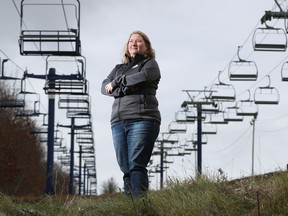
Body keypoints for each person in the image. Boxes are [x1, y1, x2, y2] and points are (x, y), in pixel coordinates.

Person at [101, 30, 161, 197]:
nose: (134, 43)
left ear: (146, 46)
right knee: (125, 167)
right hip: (118, 121)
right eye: (131, 41)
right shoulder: (118, 68)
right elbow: (104, 87)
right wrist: (120, 86)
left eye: (139, 41)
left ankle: (140, 207)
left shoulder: (150, 64)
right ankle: (130, 206)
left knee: (136, 164)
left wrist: (117, 83)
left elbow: (142, 77)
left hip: (142, 119)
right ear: (127, 47)